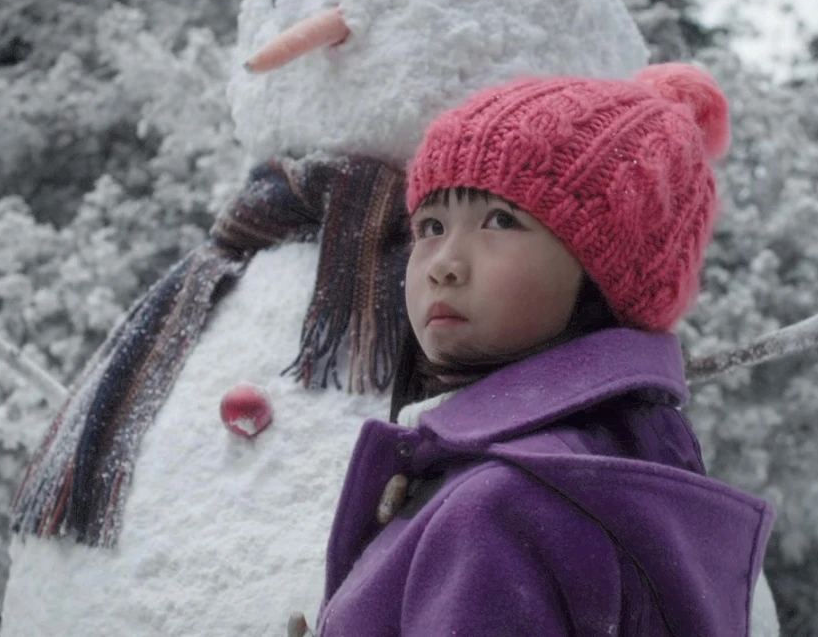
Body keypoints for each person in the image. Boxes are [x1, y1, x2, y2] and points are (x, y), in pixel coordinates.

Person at [314, 65, 776, 636]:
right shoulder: (615, 465)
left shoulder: (504, 506)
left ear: (605, 273)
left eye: (499, 221)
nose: (444, 264)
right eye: (430, 226)